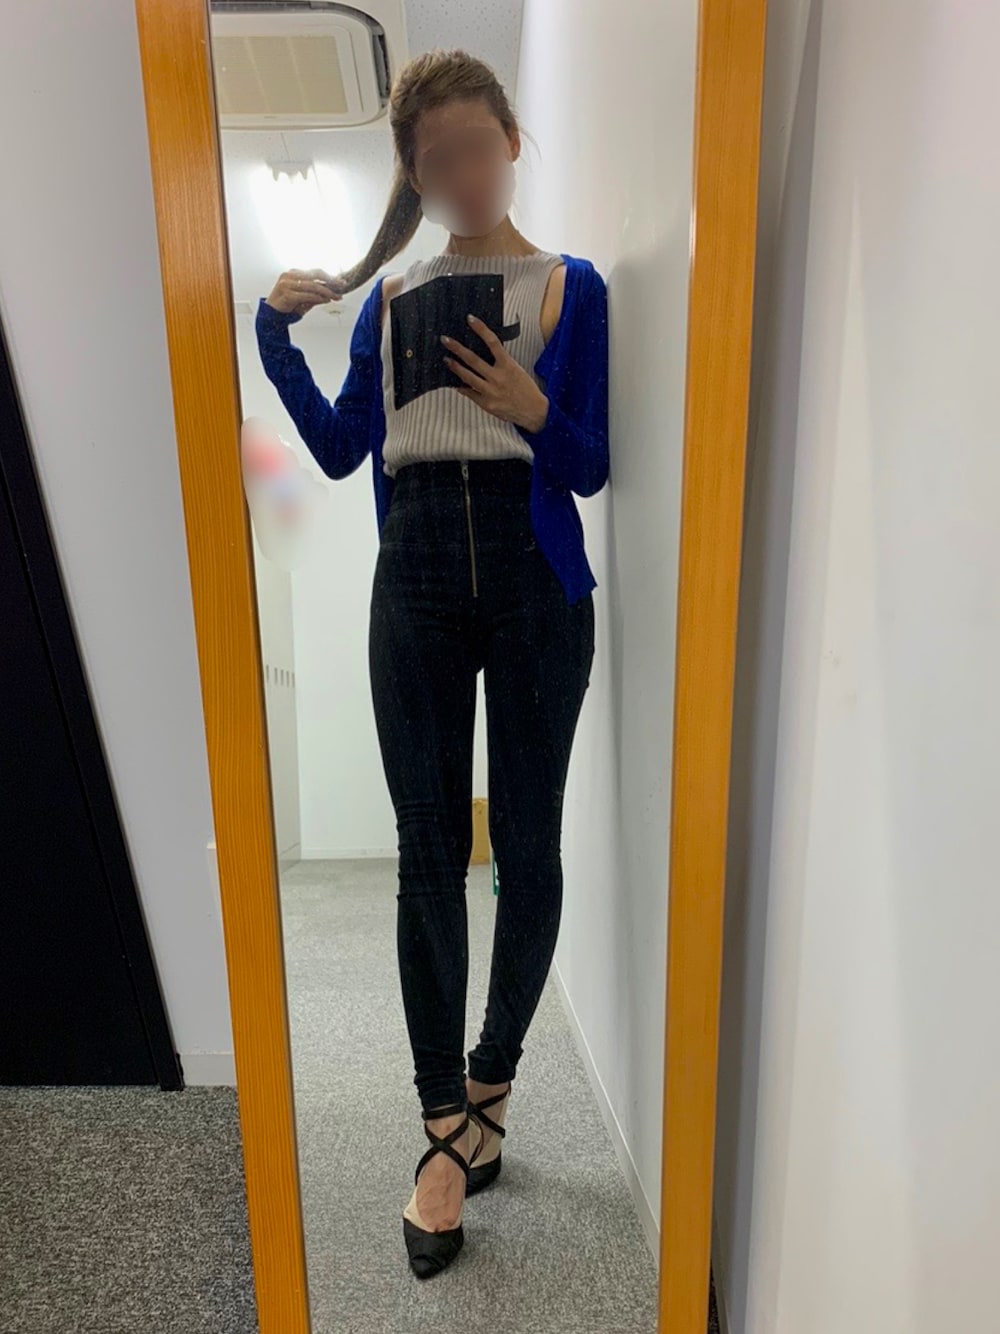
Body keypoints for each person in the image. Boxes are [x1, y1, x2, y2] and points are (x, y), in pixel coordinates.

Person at [255, 48, 609, 1279]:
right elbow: (343, 448)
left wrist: (530, 404)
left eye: (473, 147)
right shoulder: (394, 298)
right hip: (410, 572)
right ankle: (442, 1129)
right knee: (425, 849)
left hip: (531, 576)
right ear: (412, 172)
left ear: (510, 139)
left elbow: (590, 464)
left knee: (527, 842)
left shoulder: (569, 287)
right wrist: (274, 339)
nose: (459, 174)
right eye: (433, 159)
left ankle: (492, 1081)